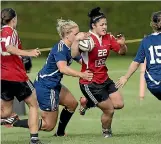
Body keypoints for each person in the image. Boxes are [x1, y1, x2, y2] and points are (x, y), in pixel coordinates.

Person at [12, 18, 93, 136]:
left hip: (54, 84)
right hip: (46, 86)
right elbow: (63, 68)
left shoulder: (72, 46)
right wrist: (81, 74)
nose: (78, 36)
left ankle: (60, 133)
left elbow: (83, 61)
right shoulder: (60, 49)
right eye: (76, 34)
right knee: (48, 125)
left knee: (72, 104)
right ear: (66, 35)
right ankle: (15, 122)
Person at [71, 7, 127, 138]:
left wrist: (123, 44)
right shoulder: (85, 38)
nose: (105, 27)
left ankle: (87, 103)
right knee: (109, 110)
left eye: (106, 24)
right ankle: (106, 132)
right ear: (93, 26)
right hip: (90, 82)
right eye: (102, 24)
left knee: (119, 104)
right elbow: (73, 54)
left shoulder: (108, 38)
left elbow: (121, 52)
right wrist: (76, 40)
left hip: (105, 78)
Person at [1, 8, 43, 144]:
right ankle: (34, 139)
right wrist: (29, 54)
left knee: (6, 113)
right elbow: (9, 48)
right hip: (17, 77)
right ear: (14, 19)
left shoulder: (1, 32)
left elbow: (11, 51)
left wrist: (27, 52)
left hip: (3, 76)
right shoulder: (11, 31)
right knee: (33, 104)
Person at [116, 11, 161, 101]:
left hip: (152, 83)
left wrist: (125, 77)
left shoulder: (146, 40)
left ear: (152, 24)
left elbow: (136, 62)